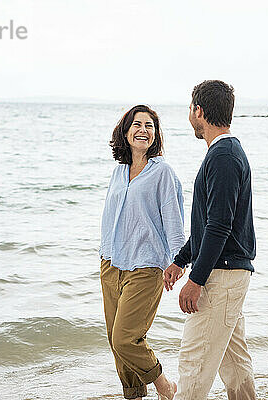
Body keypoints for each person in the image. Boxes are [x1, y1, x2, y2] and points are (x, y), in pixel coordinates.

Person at [163, 80, 257, 400]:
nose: (190, 114)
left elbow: (219, 226)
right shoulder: (225, 153)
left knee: (194, 363)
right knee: (235, 365)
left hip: (222, 276)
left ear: (198, 111)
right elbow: (208, 225)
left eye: (191, 108)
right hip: (228, 273)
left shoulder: (223, 156)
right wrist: (181, 259)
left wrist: (197, 279)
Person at [100, 105, 183, 400]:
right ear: (125, 131)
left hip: (146, 266)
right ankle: (134, 395)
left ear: (156, 135)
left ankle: (163, 385)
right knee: (115, 340)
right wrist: (104, 254)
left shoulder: (162, 173)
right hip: (112, 263)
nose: (143, 130)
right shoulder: (119, 170)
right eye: (137, 124)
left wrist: (178, 260)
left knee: (125, 338)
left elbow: (173, 219)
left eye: (149, 126)